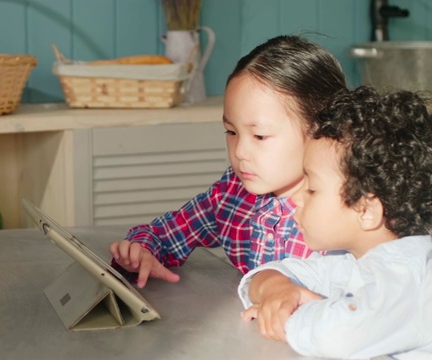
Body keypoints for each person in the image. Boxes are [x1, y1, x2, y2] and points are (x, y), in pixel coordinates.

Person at [238, 86, 432, 359]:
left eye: (312, 189)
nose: (297, 198)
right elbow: (266, 274)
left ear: (366, 210)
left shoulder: (405, 282)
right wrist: (278, 290)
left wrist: (289, 314)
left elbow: (335, 337)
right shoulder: (349, 263)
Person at [109, 34, 348, 288]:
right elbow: (162, 233)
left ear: (323, 130)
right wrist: (141, 252)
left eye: (259, 136)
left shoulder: (346, 209)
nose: (241, 151)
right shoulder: (232, 192)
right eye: (231, 132)